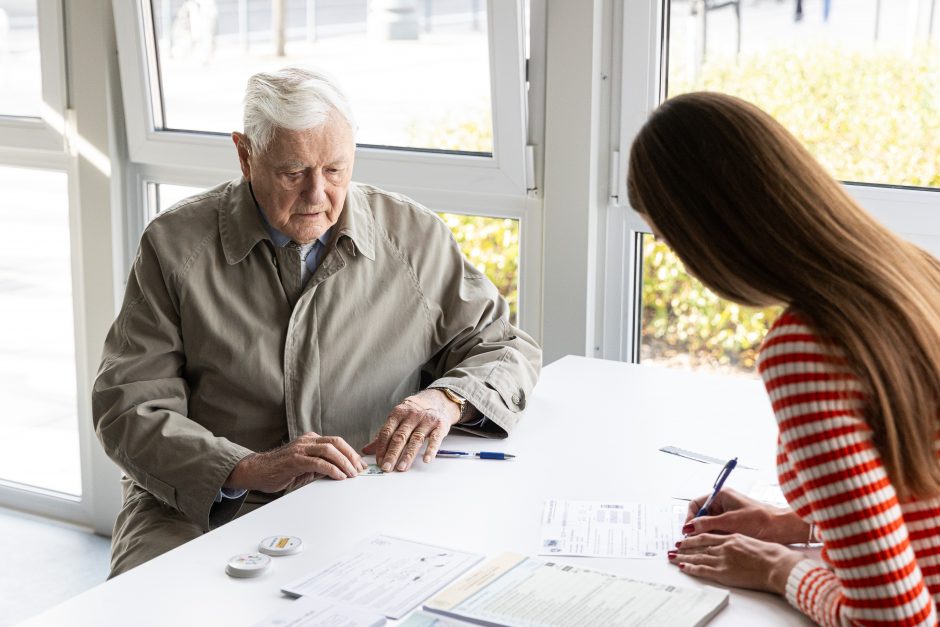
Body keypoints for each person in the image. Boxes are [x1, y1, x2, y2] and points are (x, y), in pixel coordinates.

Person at [93, 67, 541, 578]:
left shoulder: (413, 238)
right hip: (199, 503)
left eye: (334, 170)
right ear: (245, 155)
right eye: (292, 173)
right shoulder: (174, 246)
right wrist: (244, 467)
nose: (316, 195)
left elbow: (505, 348)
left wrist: (449, 398)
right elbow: (126, 405)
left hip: (363, 495)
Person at [627, 91, 940, 625]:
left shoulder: (808, 347)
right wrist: (797, 526)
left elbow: (893, 619)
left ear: (710, 233)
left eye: (671, 241)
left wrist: (778, 569)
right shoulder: (916, 275)